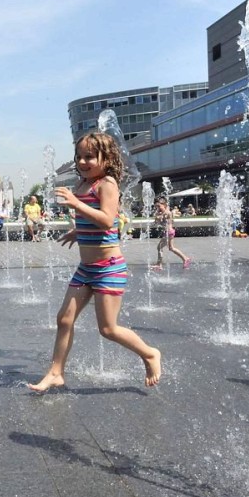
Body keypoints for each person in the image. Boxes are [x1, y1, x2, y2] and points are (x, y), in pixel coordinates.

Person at [29, 132, 161, 392]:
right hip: (86, 268)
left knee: (108, 329)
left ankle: (149, 354)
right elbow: (93, 222)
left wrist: (77, 204)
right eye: (79, 156)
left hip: (108, 268)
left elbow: (107, 219)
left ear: (107, 157)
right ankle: (56, 372)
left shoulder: (107, 184)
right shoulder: (83, 184)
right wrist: (78, 232)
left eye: (90, 156)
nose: (83, 161)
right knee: (64, 319)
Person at [151, 196, 191, 269]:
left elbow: (162, 217)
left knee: (160, 247)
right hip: (169, 232)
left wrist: (158, 217)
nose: (158, 208)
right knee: (170, 248)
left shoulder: (167, 212)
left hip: (169, 232)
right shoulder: (163, 212)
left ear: (165, 205)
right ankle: (185, 259)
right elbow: (158, 221)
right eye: (157, 207)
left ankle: (159, 264)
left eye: (159, 206)